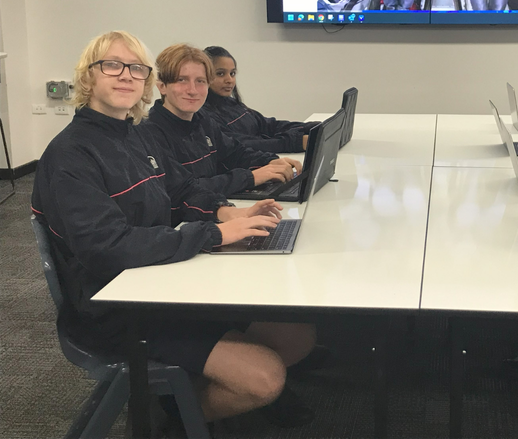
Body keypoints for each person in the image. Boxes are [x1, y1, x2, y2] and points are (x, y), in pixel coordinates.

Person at [31, 31, 317, 427]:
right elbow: (107, 247)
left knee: (296, 337)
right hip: (118, 307)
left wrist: (223, 213)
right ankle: (175, 421)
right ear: (88, 77)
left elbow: (176, 192)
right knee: (265, 377)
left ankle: (185, 394)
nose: (126, 75)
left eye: (136, 68)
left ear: (147, 81)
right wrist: (212, 235)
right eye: (111, 65)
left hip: (160, 279)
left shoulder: (130, 134)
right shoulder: (71, 155)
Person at [141, 44, 303, 199]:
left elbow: (235, 153)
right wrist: (250, 177)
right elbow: (183, 190)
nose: (192, 90)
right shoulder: (149, 132)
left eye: (200, 81)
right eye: (182, 80)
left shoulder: (202, 121)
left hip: (211, 210)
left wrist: (271, 161)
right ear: (162, 86)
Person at [201, 46, 318, 153]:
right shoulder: (205, 116)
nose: (229, 80)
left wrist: (311, 127)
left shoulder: (232, 104)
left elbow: (268, 126)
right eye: (220, 74)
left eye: (232, 73)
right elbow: (242, 144)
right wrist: (297, 142)